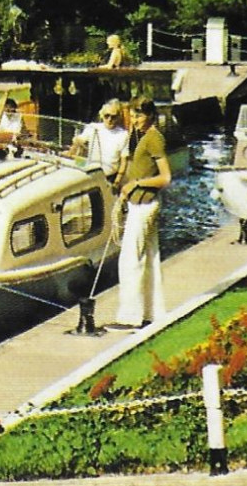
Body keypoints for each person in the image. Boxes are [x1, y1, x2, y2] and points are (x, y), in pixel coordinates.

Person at [114, 98, 171, 327]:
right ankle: (151, 313)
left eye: (138, 116)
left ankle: (130, 317)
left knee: (130, 260)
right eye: (132, 116)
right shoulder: (140, 137)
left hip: (144, 205)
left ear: (149, 115)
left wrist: (136, 183)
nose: (134, 121)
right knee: (148, 259)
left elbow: (166, 177)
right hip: (139, 203)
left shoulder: (153, 139)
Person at [68, 100, 128, 179]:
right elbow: (78, 141)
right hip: (90, 171)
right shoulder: (93, 127)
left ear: (118, 117)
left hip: (108, 177)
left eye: (113, 117)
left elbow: (124, 161)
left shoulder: (123, 134)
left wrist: (117, 182)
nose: (109, 119)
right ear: (102, 115)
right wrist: (71, 152)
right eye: (107, 116)